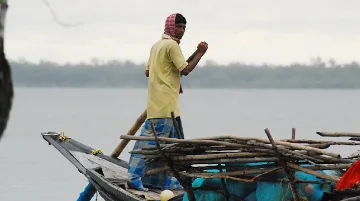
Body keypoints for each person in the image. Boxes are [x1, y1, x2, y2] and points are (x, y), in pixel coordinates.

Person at [127, 13, 208, 191]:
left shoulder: (157, 45)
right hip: (165, 106)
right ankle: (133, 177)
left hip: (160, 104)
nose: (182, 31)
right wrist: (201, 53)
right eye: (179, 27)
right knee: (149, 144)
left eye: (184, 28)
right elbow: (185, 69)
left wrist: (194, 52)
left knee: (170, 146)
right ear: (171, 26)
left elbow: (150, 72)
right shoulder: (171, 45)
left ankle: (159, 181)